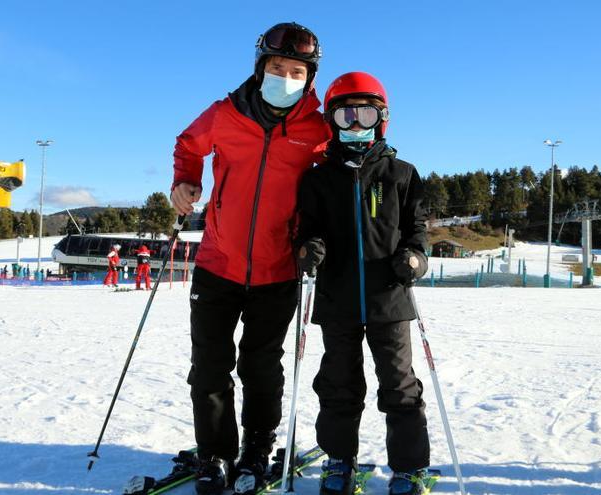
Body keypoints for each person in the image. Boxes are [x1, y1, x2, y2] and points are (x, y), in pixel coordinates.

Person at [170, 22, 330, 495]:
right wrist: (185, 180)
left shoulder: (317, 129)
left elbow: (341, 177)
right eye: (277, 67)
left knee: (262, 367)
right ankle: (214, 453)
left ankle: (257, 445)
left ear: (310, 78)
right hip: (218, 263)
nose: (285, 76)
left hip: (279, 270)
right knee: (209, 367)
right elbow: (187, 144)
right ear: (260, 68)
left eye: (296, 71)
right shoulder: (224, 115)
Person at [294, 72, 430, 495]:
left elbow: (418, 231)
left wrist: (415, 259)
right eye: (345, 114)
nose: (355, 123)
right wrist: (307, 250)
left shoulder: (402, 174)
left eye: (364, 113)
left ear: (382, 117)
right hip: (337, 300)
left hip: (389, 298)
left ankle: (408, 468)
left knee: (399, 383)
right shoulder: (317, 178)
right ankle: (339, 460)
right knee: (338, 382)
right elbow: (305, 231)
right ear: (330, 120)